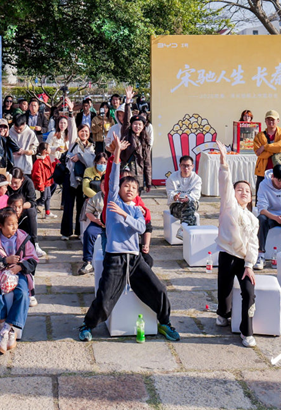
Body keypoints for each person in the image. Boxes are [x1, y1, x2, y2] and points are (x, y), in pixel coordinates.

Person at [78, 141, 180, 343]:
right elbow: (113, 176)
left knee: (159, 289)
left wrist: (125, 215)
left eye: (134, 187)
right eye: (126, 186)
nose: (130, 189)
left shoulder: (136, 210)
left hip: (135, 259)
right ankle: (87, 325)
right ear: (119, 189)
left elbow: (141, 228)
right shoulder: (112, 202)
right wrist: (117, 152)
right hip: (115, 259)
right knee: (105, 299)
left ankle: (164, 322)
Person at [211, 141, 260, 347]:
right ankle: (223, 313)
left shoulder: (254, 219)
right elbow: (225, 183)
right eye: (239, 189)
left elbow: (253, 243)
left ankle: (246, 332)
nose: (243, 192)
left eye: (247, 191)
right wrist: (224, 162)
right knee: (224, 291)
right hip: (227, 254)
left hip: (243, 260)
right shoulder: (228, 205)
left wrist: (249, 265)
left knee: (249, 292)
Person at [0, 206, 38, 354]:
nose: (14, 227)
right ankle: (7, 328)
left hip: (19, 273)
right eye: (10, 224)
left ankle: (5, 330)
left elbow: (33, 259)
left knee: (22, 294)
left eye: (16, 223)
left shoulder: (23, 238)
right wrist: (5, 261)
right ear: (0, 225)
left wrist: (20, 267)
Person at [254, 163, 281, 270]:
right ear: (273, 176)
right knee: (261, 220)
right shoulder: (264, 185)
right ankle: (260, 255)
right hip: (270, 215)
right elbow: (261, 209)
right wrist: (275, 218)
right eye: (278, 181)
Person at [61, 123, 95, 241]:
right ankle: (66, 232)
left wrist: (80, 156)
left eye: (86, 131)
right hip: (71, 179)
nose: (84, 133)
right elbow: (71, 128)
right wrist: (71, 115)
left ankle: (80, 231)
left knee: (82, 207)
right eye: (82, 131)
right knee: (68, 205)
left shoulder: (91, 146)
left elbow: (91, 161)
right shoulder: (73, 142)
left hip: (84, 180)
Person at [166, 154, 202, 241]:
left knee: (190, 204)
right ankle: (189, 233)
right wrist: (175, 197)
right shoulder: (172, 178)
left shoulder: (197, 179)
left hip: (191, 203)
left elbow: (196, 194)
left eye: (188, 166)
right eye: (183, 165)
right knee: (190, 214)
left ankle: (183, 229)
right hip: (176, 205)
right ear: (180, 166)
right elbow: (170, 193)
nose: (186, 168)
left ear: (192, 166)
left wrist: (188, 199)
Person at [77, 177, 105, 275]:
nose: (106, 186)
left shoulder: (118, 196)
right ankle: (88, 262)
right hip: (98, 223)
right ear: (100, 185)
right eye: (103, 184)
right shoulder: (96, 197)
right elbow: (88, 212)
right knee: (89, 233)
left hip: (113, 224)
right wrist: (96, 220)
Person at [253, 110, 281, 180]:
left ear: (278, 121)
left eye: (273, 119)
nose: (270, 121)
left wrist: (264, 147)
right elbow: (259, 153)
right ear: (265, 121)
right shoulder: (259, 136)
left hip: (279, 170)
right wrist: (275, 150)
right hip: (262, 170)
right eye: (268, 119)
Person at [31, 143, 57, 220]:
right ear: (45, 150)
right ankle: (32, 207)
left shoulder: (47, 158)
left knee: (48, 197)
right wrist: (40, 185)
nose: (50, 149)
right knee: (44, 198)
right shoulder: (38, 161)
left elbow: (50, 168)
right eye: (49, 148)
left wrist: (55, 164)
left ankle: (47, 213)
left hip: (47, 181)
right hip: (44, 182)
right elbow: (37, 175)